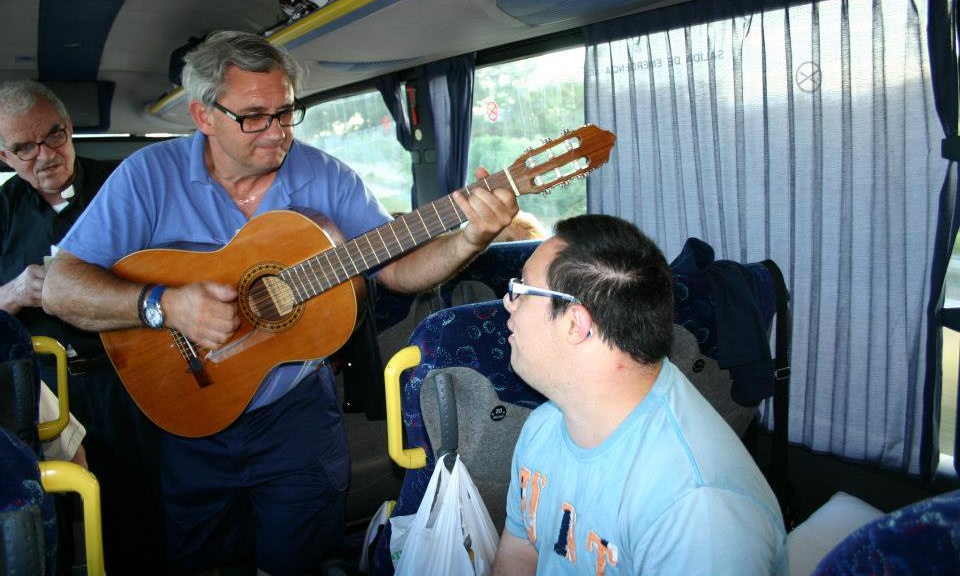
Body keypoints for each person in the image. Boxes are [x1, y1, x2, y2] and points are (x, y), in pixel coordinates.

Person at [42, 30, 518, 575]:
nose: (277, 131)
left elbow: (397, 268)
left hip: (295, 411)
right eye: (254, 116)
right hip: (188, 406)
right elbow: (61, 286)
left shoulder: (327, 175)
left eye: (287, 112)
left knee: (297, 558)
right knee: (198, 558)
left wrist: (469, 238)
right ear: (203, 116)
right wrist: (163, 305)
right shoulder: (149, 176)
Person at [492, 214, 787, 575]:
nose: (508, 304)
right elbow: (521, 554)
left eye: (521, 290)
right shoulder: (544, 425)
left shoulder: (697, 511)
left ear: (576, 324)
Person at [0, 80, 166, 573]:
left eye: (53, 136)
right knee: (55, 509)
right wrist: (11, 293)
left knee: (145, 500)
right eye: (24, 148)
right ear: (5, 156)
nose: (45, 155)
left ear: (70, 129)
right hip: (43, 390)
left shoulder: (125, 186)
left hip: (129, 373)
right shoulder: (2, 211)